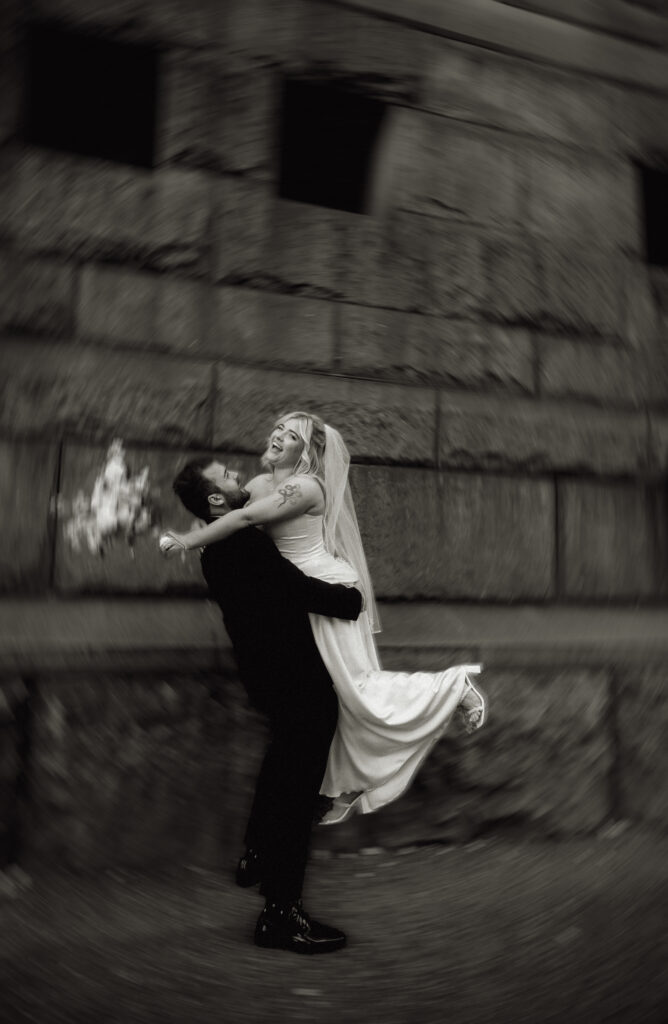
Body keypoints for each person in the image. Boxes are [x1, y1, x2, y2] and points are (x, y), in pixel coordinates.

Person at [161, 412, 486, 825]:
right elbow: (227, 511)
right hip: (300, 597)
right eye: (278, 427)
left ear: (307, 451)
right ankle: (344, 787)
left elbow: (240, 520)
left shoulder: (304, 486)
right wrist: (200, 525)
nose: (279, 436)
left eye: (292, 435)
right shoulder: (259, 485)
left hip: (326, 593)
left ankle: (454, 686)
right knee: (334, 701)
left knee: (358, 689)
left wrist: (188, 541)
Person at [170, 457, 364, 955]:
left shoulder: (216, 550)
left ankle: (256, 854)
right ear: (216, 500)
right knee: (296, 792)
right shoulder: (241, 542)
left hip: (270, 679)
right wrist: (350, 601)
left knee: (281, 771)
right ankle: (281, 915)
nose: (239, 477)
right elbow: (293, 589)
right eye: (228, 478)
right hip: (296, 681)